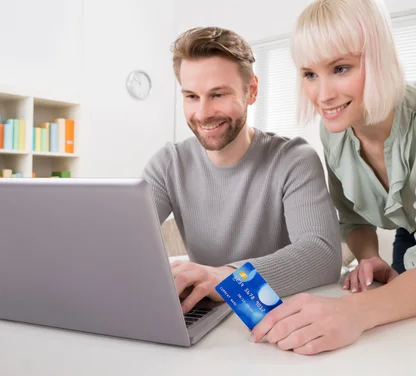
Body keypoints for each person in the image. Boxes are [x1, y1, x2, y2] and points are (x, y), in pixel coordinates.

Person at [251, 0, 416, 355]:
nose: (322, 95)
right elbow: (353, 220)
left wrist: (350, 313)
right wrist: (368, 256)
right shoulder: (334, 129)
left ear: (380, 58)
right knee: (400, 350)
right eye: (309, 73)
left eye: (341, 68)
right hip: (415, 241)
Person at [143, 26, 342, 314]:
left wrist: (227, 279)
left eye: (218, 95)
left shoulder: (294, 159)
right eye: (191, 97)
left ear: (251, 91)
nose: (202, 113)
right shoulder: (168, 164)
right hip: (206, 314)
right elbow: (120, 239)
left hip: (279, 315)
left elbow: (322, 256)